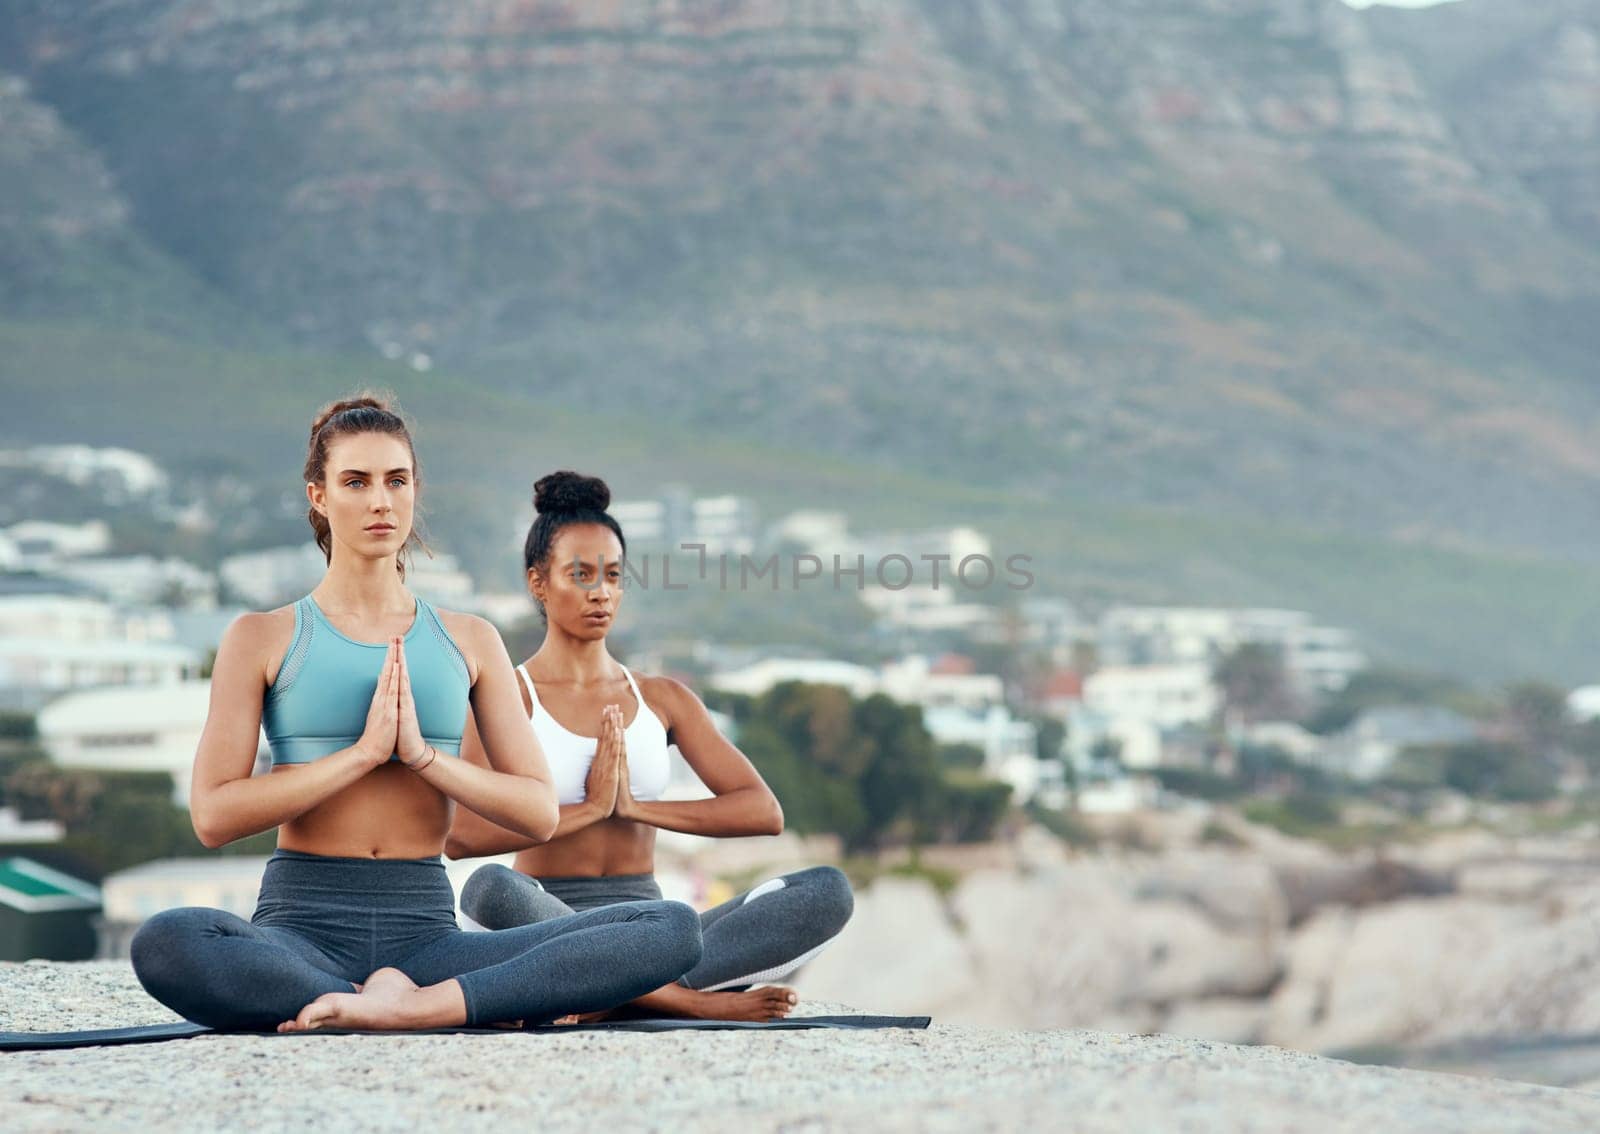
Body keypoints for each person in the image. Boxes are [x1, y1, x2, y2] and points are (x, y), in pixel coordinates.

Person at [130, 397, 701, 1033]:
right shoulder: (261, 636)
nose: (380, 501)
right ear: (318, 495)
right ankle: (369, 996)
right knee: (167, 939)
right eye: (356, 481)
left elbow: (537, 812)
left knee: (667, 927)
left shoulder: (470, 638)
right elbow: (214, 816)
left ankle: (415, 1006)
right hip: (303, 927)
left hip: (428, 934)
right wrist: (364, 754)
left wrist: (426, 759)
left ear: (414, 490)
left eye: (396, 481)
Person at [448, 471, 853, 1022]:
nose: (601, 592)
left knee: (825, 890)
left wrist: (635, 808)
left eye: (613, 575)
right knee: (490, 889)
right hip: (547, 920)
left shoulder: (663, 698)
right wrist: (590, 809)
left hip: (658, 930)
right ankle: (682, 1000)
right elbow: (462, 838)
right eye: (580, 574)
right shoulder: (506, 698)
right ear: (539, 582)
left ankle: (606, 993)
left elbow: (762, 810)